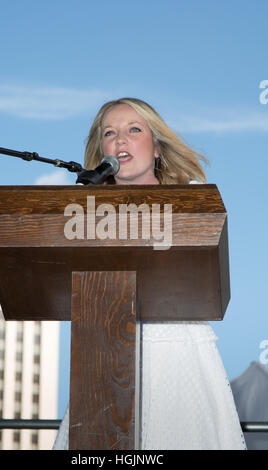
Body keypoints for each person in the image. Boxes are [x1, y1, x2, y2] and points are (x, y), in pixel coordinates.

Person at [53, 97, 246, 450]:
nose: (120, 140)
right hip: (103, 356)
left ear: (157, 147)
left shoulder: (192, 201)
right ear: (102, 150)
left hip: (176, 357)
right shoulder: (82, 213)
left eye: (134, 129)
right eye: (110, 133)